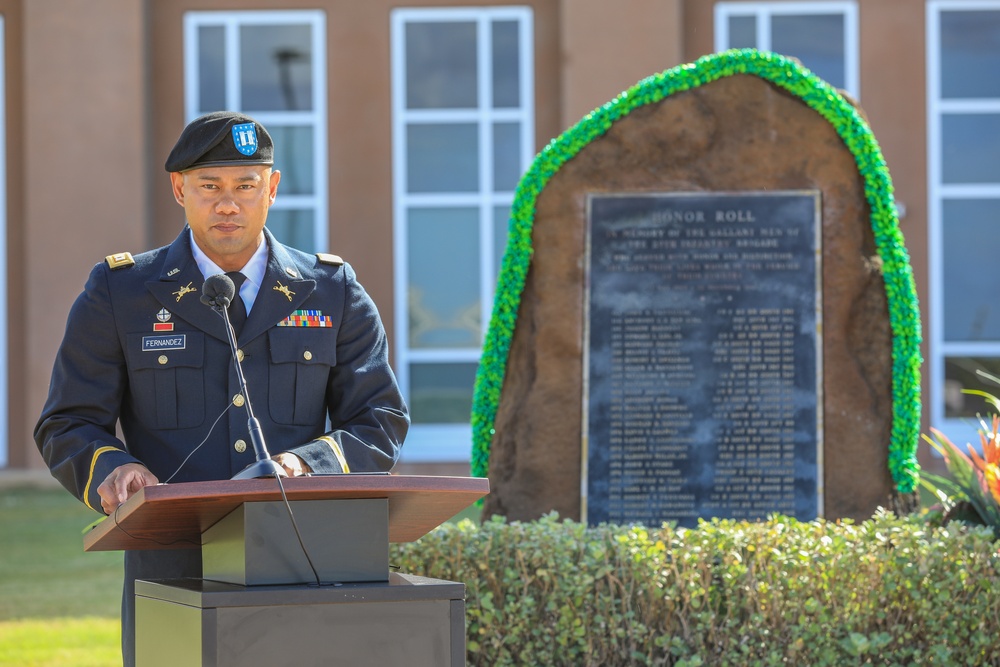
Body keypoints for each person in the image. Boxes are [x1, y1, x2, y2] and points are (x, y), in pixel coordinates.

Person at [33, 111, 409, 666]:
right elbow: (67, 421)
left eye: (245, 186)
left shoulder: (331, 292)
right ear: (179, 189)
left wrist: (306, 466)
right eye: (209, 186)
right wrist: (113, 468)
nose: (227, 204)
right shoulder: (121, 292)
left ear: (273, 189)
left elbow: (379, 421)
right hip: (171, 573)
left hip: (301, 563)